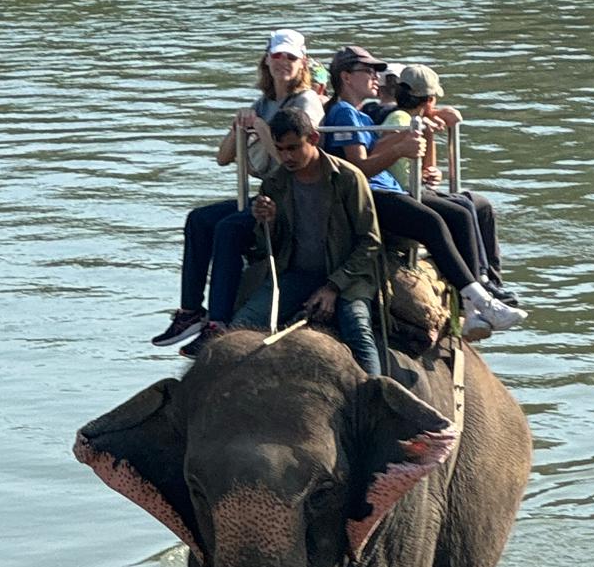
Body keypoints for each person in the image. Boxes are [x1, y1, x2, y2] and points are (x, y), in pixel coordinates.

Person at [321, 47, 524, 337]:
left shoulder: (362, 115)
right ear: (346, 77)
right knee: (434, 222)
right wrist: (401, 149)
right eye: (368, 71)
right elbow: (359, 169)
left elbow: (379, 146)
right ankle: (479, 301)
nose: (376, 78)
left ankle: (476, 302)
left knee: (455, 213)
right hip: (368, 197)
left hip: (383, 190)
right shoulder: (343, 113)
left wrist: (412, 135)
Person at [152, 29, 326, 348]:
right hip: (269, 192)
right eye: (277, 56)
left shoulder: (307, 101)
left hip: (294, 196)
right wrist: (238, 128)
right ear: (267, 60)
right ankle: (190, 311)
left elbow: (298, 156)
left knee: (229, 229)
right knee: (199, 219)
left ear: (302, 63)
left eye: (291, 57)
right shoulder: (264, 102)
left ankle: (218, 323)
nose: (283, 62)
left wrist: (261, 129)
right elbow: (223, 159)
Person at [224, 107, 383, 376]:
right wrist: (268, 222)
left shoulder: (348, 178)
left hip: (347, 277)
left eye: (293, 148)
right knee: (242, 325)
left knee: (358, 330)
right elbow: (266, 249)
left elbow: (370, 241)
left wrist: (334, 286)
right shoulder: (274, 183)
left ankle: (378, 396)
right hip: (295, 275)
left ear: (313, 139)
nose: (286, 156)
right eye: (280, 149)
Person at [383, 65, 509, 298]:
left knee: (481, 205)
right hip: (405, 192)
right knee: (463, 208)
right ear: (429, 99)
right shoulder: (400, 119)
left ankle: (492, 277)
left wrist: (430, 139)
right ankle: (478, 277)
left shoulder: (414, 120)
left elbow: (425, 168)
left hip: (416, 186)